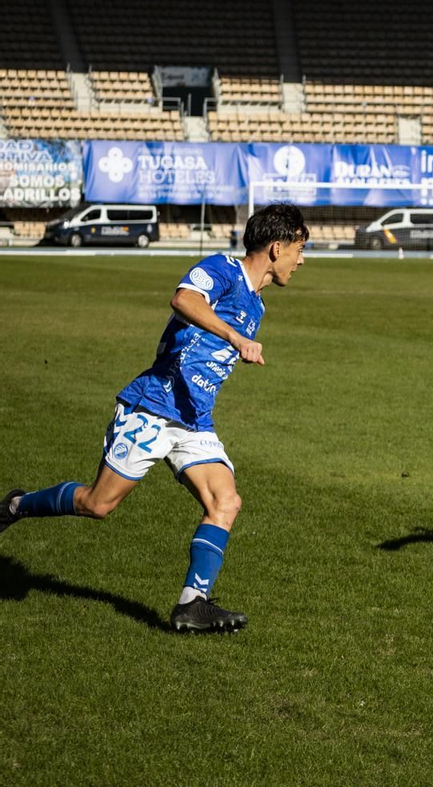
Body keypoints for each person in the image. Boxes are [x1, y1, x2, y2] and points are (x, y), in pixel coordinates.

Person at [1, 203, 310, 631]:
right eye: (300, 248)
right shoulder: (222, 269)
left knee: (226, 501)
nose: (302, 259)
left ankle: (192, 602)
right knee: (98, 503)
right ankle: (15, 506)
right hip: (153, 405)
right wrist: (234, 337)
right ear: (277, 248)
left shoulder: (256, 306)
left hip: (194, 420)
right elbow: (183, 299)